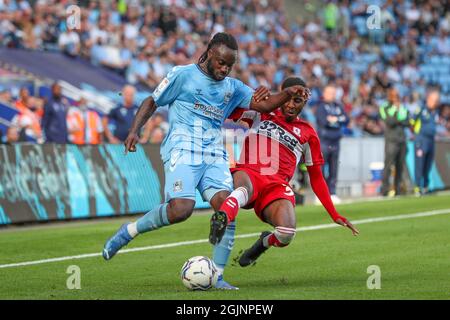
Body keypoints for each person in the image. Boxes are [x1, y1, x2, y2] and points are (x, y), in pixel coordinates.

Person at [101, 33, 310, 290]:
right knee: (181, 209)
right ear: (209, 52)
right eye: (221, 62)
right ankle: (129, 231)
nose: (224, 69)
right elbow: (152, 101)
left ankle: (218, 276)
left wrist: (286, 92)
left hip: (213, 153)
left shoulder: (232, 87)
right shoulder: (182, 75)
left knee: (226, 206)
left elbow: (264, 105)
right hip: (183, 149)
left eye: (229, 65)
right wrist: (135, 130)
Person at [209, 77, 359, 267]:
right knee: (242, 189)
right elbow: (227, 108)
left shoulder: (308, 133)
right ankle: (221, 220)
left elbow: (316, 177)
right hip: (249, 173)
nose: (290, 104)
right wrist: (253, 95)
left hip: (276, 187)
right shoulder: (261, 112)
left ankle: (264, 242)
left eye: (297, 101)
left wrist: (333, 213)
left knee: (286, 233)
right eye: (287, 98)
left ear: (304, 102)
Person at [315, 84, 349, 204]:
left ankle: (332, 192)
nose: (333, 95)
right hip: (324, 141)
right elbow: (324, 122)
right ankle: (321, 194)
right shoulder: (321, 107)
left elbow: (346, 119)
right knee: (321, 169)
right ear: (324, 94)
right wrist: (338, 120)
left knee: (334, 168)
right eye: (330, 93)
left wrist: (335, 119)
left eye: (334, 93)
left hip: (336, 141)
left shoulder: (338, 106)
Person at [379, 86, 410, 197]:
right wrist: (397, 113)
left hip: (402, 139)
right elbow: (389, 122)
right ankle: (384, 190)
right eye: (394, 95)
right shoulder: (385, 107)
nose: (396, 97)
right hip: (391, 140)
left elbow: (408, 122)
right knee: (388, 165)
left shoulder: (403, 107)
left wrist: (398, 118)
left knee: (400, 165)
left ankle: (397, 189)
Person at [412, 89, 440, 195]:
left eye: (437, 100)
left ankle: (425, 187)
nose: (436, 102)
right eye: (435, 100)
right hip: (421, 140)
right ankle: (417, 187)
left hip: (431, 140)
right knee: (420, 164)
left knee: (428, 164)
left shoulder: (434, 112)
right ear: (429, 99)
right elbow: (412, 122)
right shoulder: (420, 109)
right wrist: (416, 135)